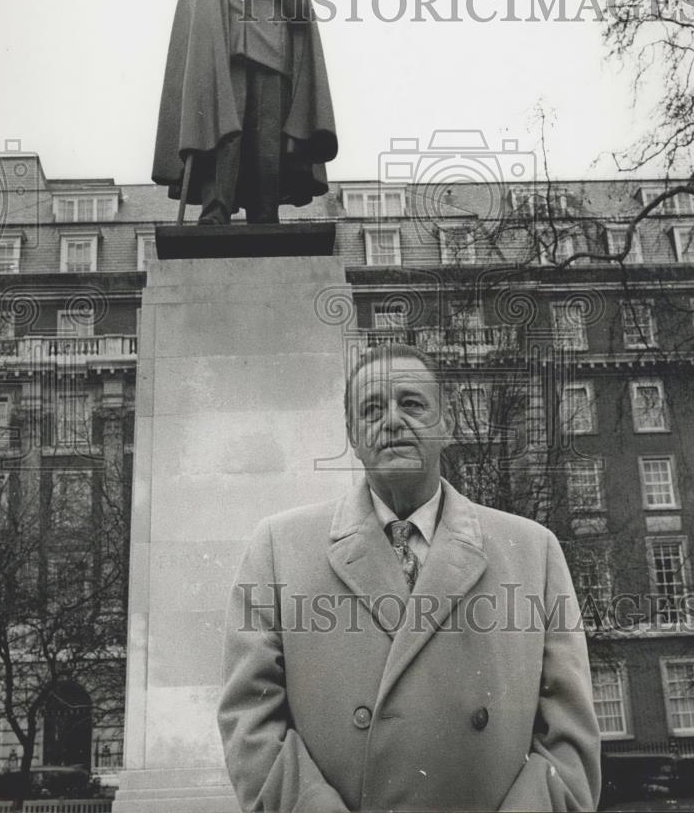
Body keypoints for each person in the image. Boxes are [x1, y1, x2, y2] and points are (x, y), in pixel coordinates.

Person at [219, 343, 601, 812]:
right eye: (372, 409)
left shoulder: (532, 549)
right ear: (353, 437)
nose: (393, 420)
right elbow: (250, 721)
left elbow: (570, 733)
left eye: (412, 403)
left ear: (448, 425)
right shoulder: (279, 546)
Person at [152, 0, 337, 224]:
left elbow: (300, 12)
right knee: (223, 135)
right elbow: (191, 32)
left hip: (272, 63)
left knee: (267, 143)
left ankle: (265, 214)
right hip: (222, 64)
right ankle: (216, 210)